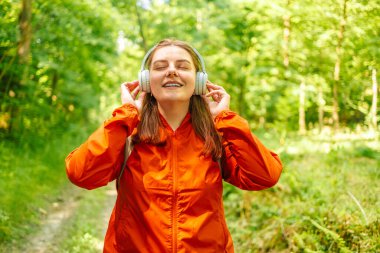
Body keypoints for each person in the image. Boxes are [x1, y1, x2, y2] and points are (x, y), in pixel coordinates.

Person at [65, 38, 283, 253]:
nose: (171, 71)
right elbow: (81, 173)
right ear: (146, 81)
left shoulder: (216, 135)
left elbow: (265, 176)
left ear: (199, 81)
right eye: (160, 67)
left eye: (182, 66)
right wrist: (127, 114)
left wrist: (225, 118)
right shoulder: (128, 133)